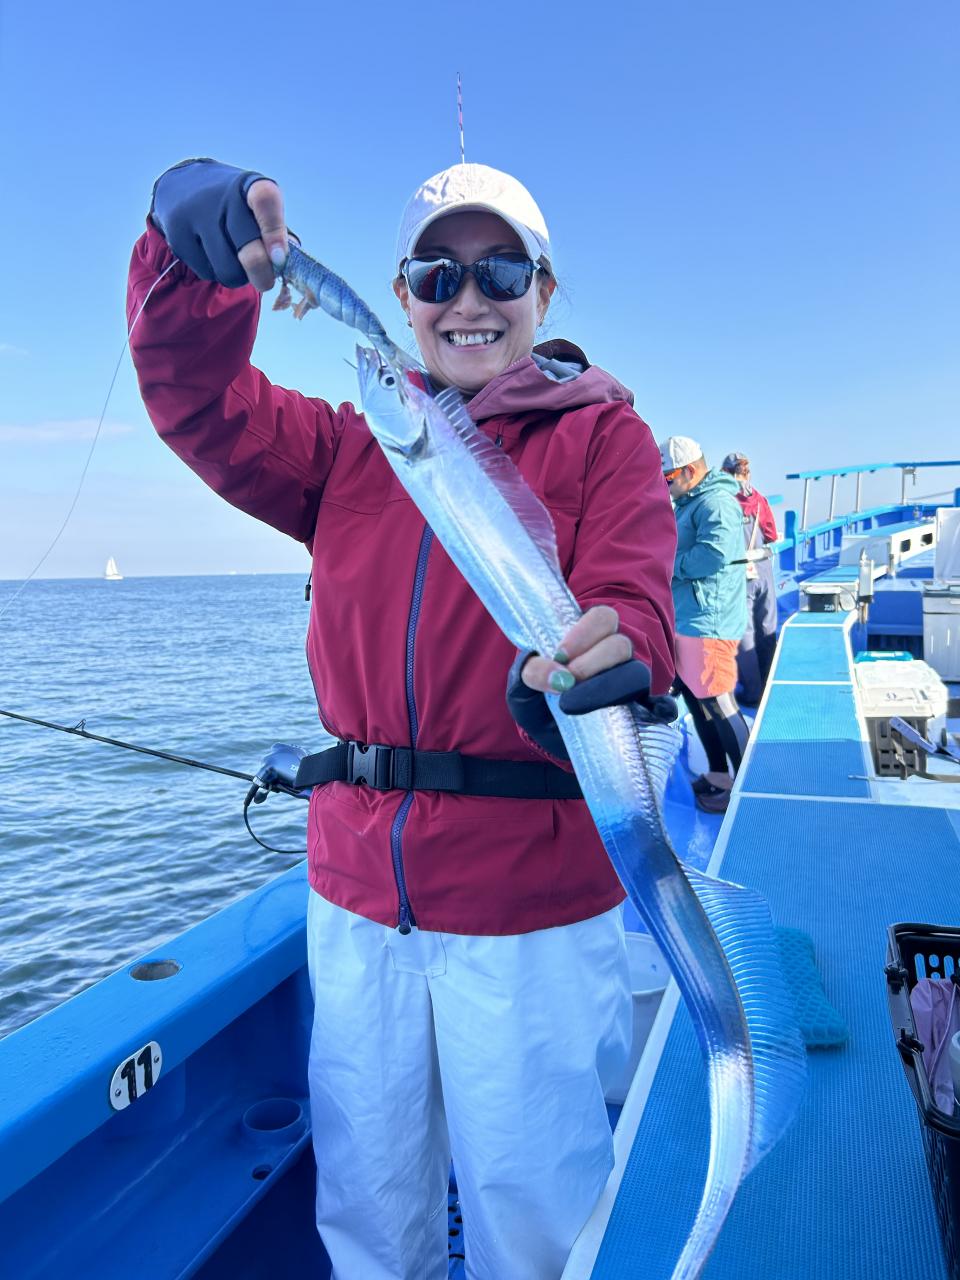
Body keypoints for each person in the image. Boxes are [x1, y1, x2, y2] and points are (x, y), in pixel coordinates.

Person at [127, 157, 678, 1280]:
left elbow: (636, 601)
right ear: (403, 296)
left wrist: (613, 656)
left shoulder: (604, 437)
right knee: (370, 1210)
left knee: (537, 1218)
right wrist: (186, 253)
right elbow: (200, 404)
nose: (468, 298)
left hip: (529, 901)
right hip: (357, 896)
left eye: (501, 271)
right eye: (437, 275)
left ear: (544, 291)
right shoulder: (348, 445)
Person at [660, 436, 750, 814]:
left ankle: (745, 791)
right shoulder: (689, 502)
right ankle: (719, 775)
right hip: (689, 617)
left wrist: (667, 567)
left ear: (689, 471)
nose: (663, 485)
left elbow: (713, 555)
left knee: (718, 701)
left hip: (708, 620)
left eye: (667, 478)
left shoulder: (714, 502)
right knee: (698, 701)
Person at [721, 452, 779, 706]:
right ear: (747, 473)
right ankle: (770, 684)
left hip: (737, 571)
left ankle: (754, 691)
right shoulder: (759, 500)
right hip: (762, 568)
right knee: (767, 626)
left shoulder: (722, 502)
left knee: (744, 631)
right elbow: (771, 535)